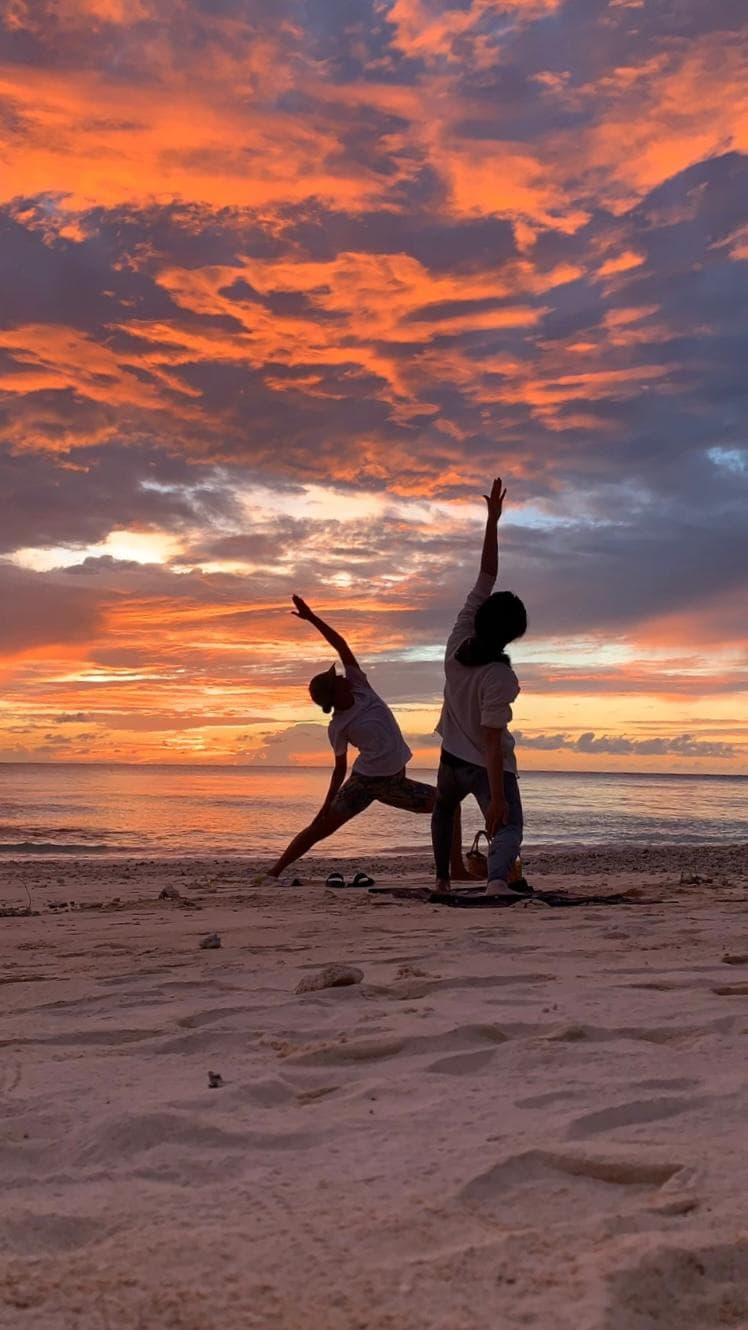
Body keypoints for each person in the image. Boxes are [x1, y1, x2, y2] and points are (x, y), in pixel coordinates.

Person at [255, 596, 468, 884]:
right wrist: (325, 806)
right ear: (334, 693)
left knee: (449, 806)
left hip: (395, 782)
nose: (342, 675)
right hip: (365, 782)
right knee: (320, 828)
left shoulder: (360, 685)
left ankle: (456, 869)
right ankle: (273, 872)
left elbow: (340, 644)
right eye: (337, 678)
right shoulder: (339, 726)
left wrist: (312, 618)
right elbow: (339, 768)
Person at [431, 476, 527, 896]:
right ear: (512, 636)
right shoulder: (499, 676)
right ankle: (495, 882)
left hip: (450, 757)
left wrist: (492, 521)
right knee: (508, 824)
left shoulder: (457, 642)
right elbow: (491, 740)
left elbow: (486, 574)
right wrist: (498, 797)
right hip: (483, 764)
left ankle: (442, 881)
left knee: (443, 810)